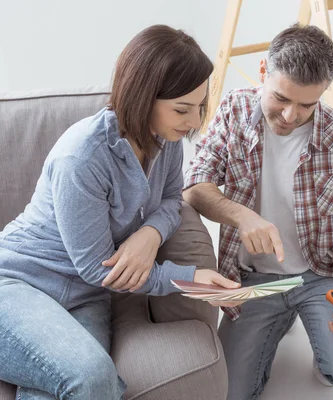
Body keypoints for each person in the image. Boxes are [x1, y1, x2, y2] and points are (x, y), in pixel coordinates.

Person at [0, 24, 239, 400]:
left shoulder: (167, 140)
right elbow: (98, 267)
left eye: (199, 107)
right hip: (18, 282)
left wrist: (151, 234)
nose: (195, 122)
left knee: (75, 385)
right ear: (143, 96)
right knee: (94, 377)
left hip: (86, 296)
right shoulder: (81, 156)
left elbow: (172, 198)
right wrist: (191, 278)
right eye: (183, 109)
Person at [183, 23, 333, 399]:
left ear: (323, 92)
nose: (291, 116)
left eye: (306, 105)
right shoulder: (233, 109)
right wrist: (242, 215)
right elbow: (195, 185)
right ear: (263, 72)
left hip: (320, 275)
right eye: (280, 98)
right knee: (229, 393)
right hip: (254, 280)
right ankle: (280, 319)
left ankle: (320, 345)